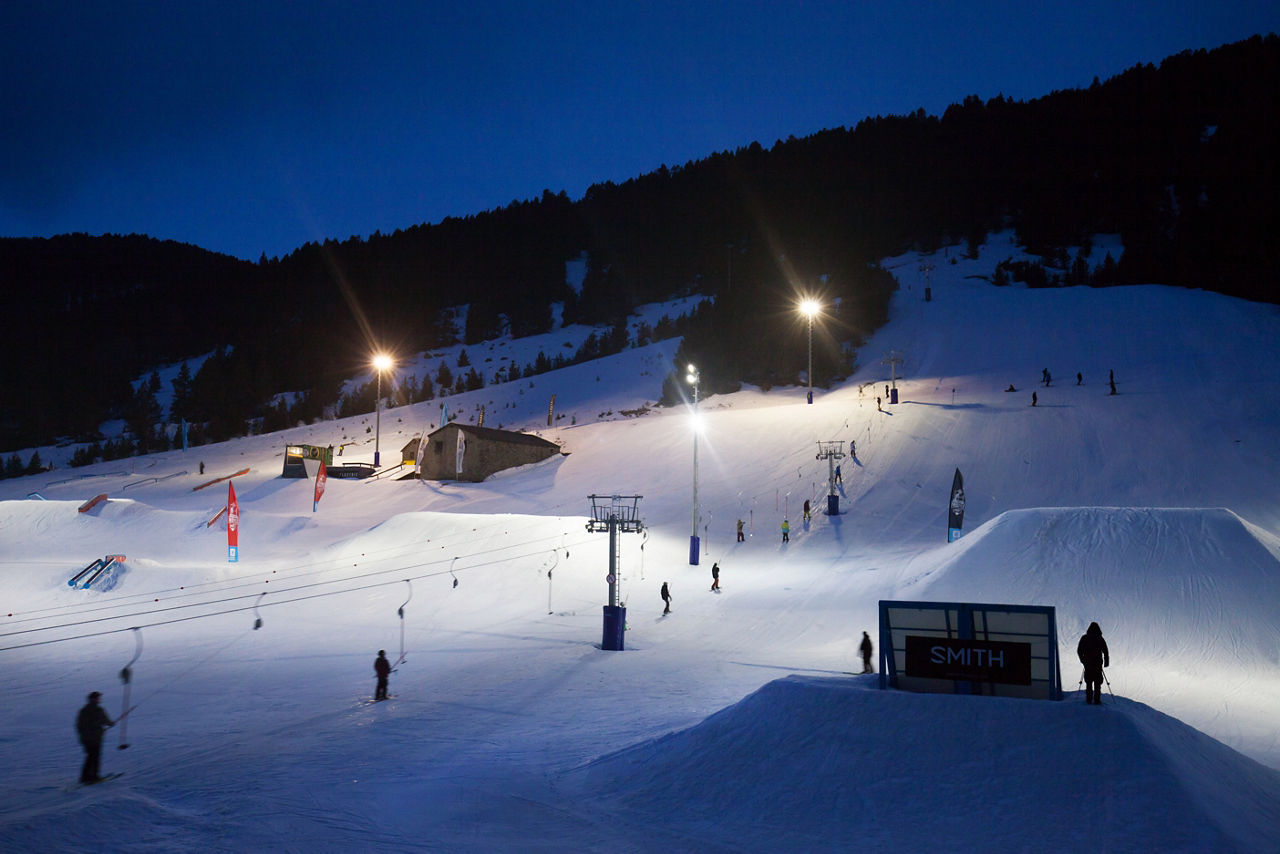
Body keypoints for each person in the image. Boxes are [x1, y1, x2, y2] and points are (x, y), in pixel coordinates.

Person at [76, 691, 115, 783]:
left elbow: (79, 725)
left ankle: (84, 777)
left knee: (90, 757)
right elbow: (105, 721)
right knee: (95, 757)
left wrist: (83, 735)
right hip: (95, 739)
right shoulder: (98, 710)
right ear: (94, 699)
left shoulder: (84, 710)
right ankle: (94, 777)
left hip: (85, 739)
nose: (99, 699)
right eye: (98, 697)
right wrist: (111, 724)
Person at [1077, 622, 1110, 705]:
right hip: (1097, 664)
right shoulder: (1100, 638)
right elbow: (1105, 651)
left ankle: (1088, 700)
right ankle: (1097, 700)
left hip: (1088, 664)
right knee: (1097, 682)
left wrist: (1083, 660)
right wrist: (1106, 662)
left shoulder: (1084, 638)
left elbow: (1079, 650)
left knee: (1089, 681)